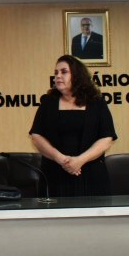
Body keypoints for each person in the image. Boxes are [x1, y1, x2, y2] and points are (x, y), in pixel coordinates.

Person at [30, 55, 117, 197]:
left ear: (77, 75)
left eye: (64, 72)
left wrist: (80, 160)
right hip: (55, 174)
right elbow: (36, 136)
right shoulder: (48, 102)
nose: (58, 76)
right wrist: (61, 159)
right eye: (56, 73)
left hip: (91, 174)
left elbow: (107, 138)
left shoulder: (96, 102)